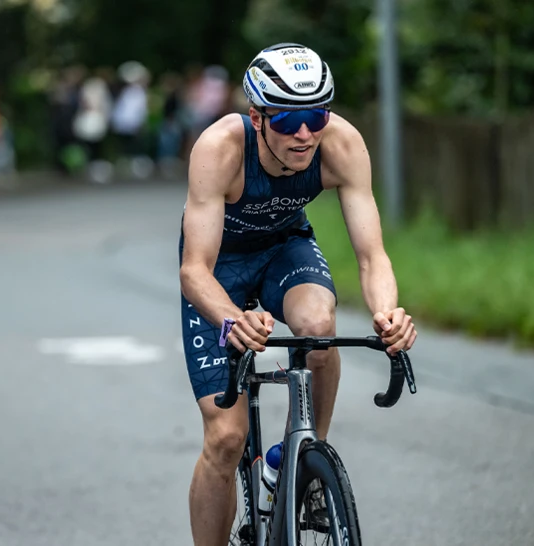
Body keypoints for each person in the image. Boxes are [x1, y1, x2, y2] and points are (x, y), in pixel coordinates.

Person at [178, 43, 418, 545]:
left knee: (317, 327)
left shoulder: (342, 144)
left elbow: (373, 256)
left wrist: (387, 313)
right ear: (258, 116)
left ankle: (304, 462)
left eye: (316, 115)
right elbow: (194, 271)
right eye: (289, 120)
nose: (306, 133)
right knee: (225, 438)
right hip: (218, 269)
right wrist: (231, 319)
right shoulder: (219, 148)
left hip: (285, 247)